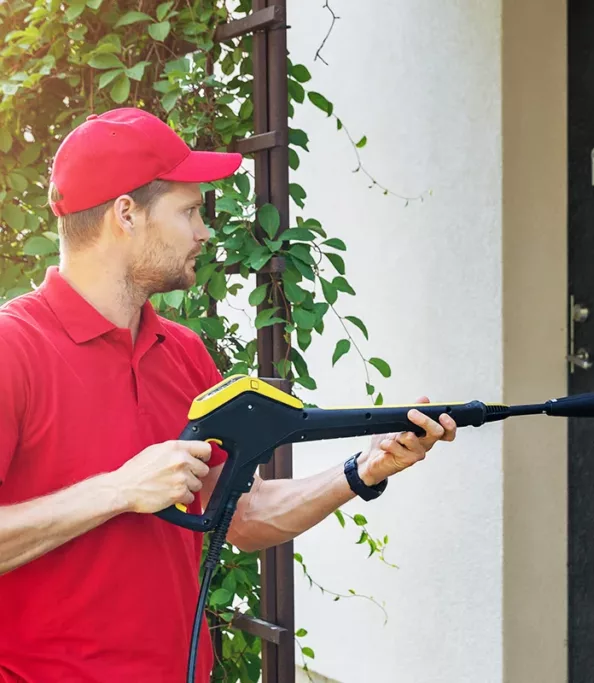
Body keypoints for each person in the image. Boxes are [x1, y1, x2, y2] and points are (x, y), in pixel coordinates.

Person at [0, 108, 458, 682]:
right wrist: (119, 489)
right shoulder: (13, 349)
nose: (203, 232)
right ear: (126, 214)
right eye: (189, 211)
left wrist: (360, 471)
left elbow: (241, 515)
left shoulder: (183, 351)